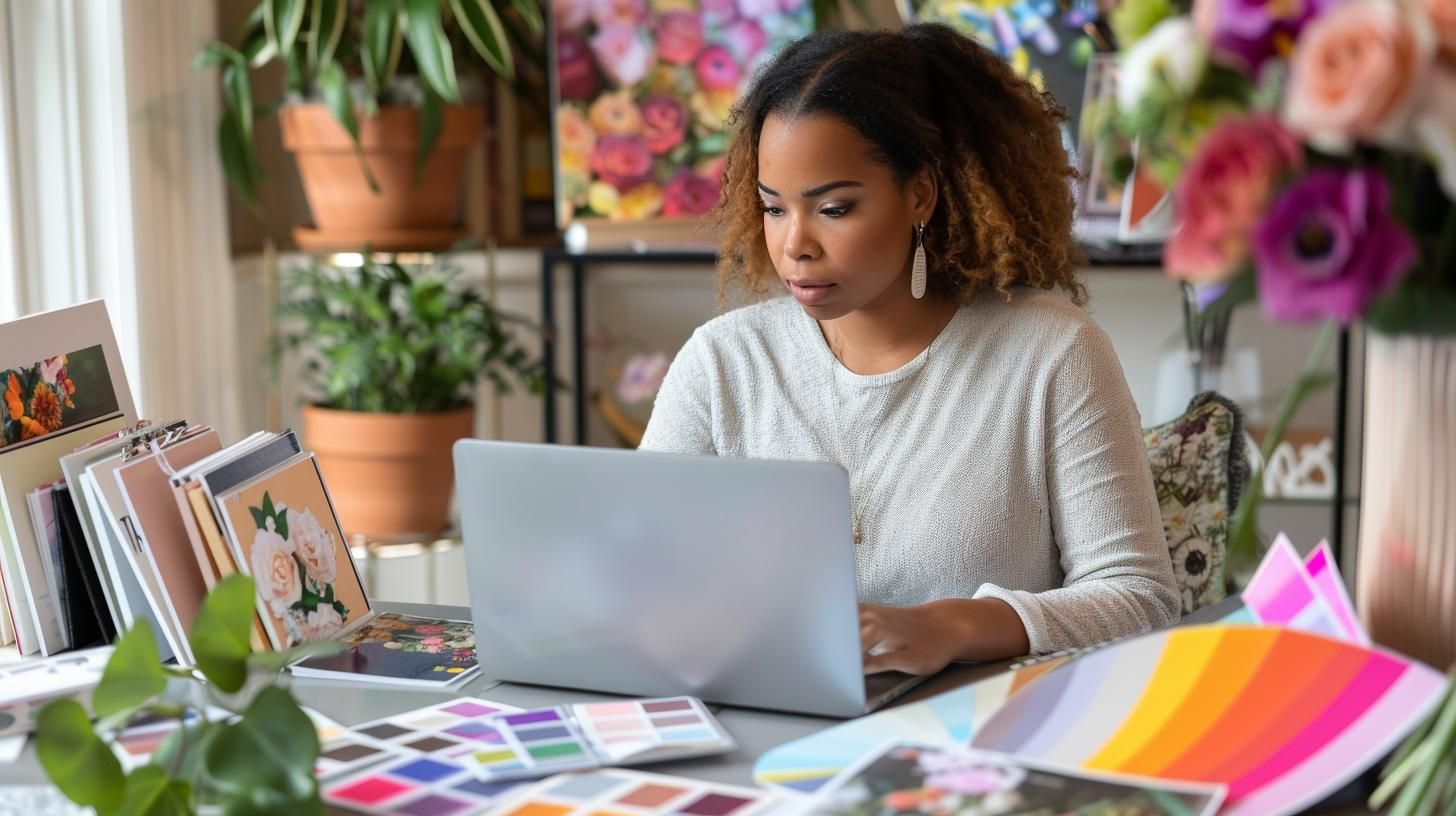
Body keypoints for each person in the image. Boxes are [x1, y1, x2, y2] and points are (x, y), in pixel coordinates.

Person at [638, 23, 1180, 676]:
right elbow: (640, 570)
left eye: (833, 209)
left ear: (919, 194)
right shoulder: (723, 363)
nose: (794, 245)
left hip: (983, 738)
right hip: (765, 729)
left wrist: (951, 626)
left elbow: (1141, 597)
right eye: (773, 208)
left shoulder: (1053, 353)